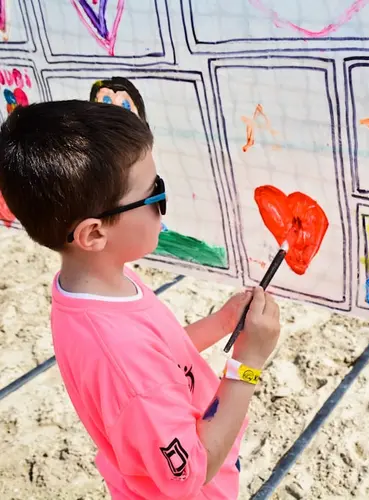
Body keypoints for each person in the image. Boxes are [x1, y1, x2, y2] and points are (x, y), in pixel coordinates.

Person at [0, 100, 281, 499]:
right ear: (94, 234)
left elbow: (159, 358)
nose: (163, 205)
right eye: (154, 195)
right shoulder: (119, 352)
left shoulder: (94, 287)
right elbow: (192, 470)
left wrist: (222, 323)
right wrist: (248, 363)